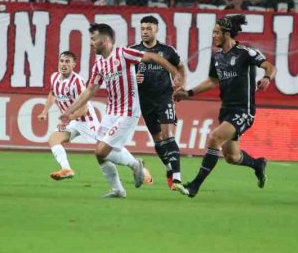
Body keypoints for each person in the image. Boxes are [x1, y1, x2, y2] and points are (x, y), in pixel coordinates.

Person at [60, 23, 182, 199]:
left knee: (101, 151)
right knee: (100, 154)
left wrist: (175, 73)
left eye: (93, 39)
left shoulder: (124, 54)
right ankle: (118, 190)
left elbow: (154, 57)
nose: (91, 43)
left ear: (104, 40)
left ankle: (135, 165)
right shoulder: (99, 63)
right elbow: (90, 90)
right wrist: (69, 112)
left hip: (128, 111)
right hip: (111, 112)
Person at [173, 15, 277, 198]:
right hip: (226, 110)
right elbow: (213, 81)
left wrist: (267, 78)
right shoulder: (217, 57)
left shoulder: (246, 53)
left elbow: (270, 66)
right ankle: (257, 164)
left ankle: (194, 186)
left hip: (244, 111)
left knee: (214, 138)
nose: (213, 36)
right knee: (232, 157)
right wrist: (189, 93)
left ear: (227, 34)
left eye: (216, 33)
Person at [131, 16, 187, 192]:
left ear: (156, 30)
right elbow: (125, 74)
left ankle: (177, 177)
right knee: (157, 140)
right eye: (143, 28)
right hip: (144, 101)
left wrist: (181, 84)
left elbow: (180, 67)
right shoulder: (133, 51)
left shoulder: (167, 51)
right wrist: (134, 79)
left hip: (164, 97)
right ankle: (170, 169)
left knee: (168, 135)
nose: (145, 31)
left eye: (149, 28)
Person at [38, 51, 99, 181]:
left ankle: (136, 165)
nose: (63, 64)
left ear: (74, 65)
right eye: (61, 61)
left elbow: (84, 109)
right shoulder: (54, 77)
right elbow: (53, 93)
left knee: (107, 150)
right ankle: (66, 169)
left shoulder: (77, 81)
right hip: (71, 121)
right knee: (54, 139)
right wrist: (44, 112)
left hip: (87, 121)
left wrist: (67, 119)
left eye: (67, 61)